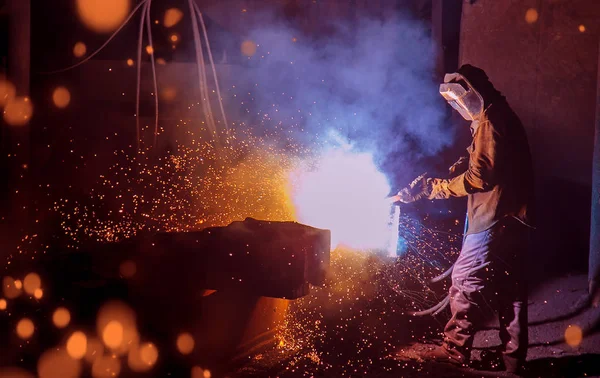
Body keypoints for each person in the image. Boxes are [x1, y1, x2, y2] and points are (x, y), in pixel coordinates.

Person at [397, 64, 534, 374]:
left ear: (475, 93)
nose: (460, 107)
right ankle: (514, 361)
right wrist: (447, 172)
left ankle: (455, 350)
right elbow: (483, 160)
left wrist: (438, 188)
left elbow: (481, 176)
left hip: (493, 216)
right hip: (515, 217)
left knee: (464, 279)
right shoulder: (497, 115)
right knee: (510, 289)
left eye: (461, 99)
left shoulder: (491, 120)